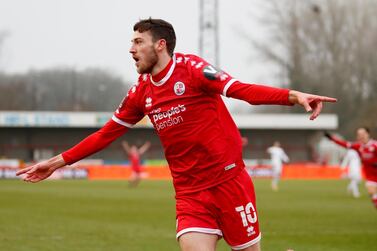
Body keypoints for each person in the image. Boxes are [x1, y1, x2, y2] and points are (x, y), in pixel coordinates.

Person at [16, 18, 337, 251]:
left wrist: (294, 96)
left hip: (229, 183)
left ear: (161, 45)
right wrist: (56, 163)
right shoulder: (140, 93)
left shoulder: (194, 70)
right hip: (190, 193)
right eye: (131, 42)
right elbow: (106, 134)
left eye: (138, 42)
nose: (131, 49)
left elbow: (242, 90)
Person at [325, 127, 377, 209]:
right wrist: (332, 138)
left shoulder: (375, 145)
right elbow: (344, 144)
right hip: (370, 175)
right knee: (372, 192)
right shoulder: (358, 146)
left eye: (363, 133)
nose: (361, 136)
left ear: (368, 134)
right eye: (359, 134)